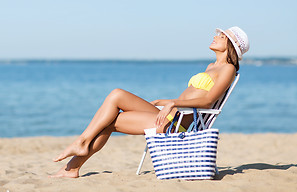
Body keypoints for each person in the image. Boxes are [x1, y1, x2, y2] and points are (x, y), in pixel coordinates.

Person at [51, 26, 249, 178]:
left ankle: (74, 163)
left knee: (109, 121)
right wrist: (168, 102)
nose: (215, 36)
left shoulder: (228, 69)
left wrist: (172, 103)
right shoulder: (211, 66)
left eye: (221, 36)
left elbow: (207, 101)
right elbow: (194, 95)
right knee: (116, 94)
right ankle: (80, 147)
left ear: (230, 45)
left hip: (178, 125)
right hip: (172, 114)